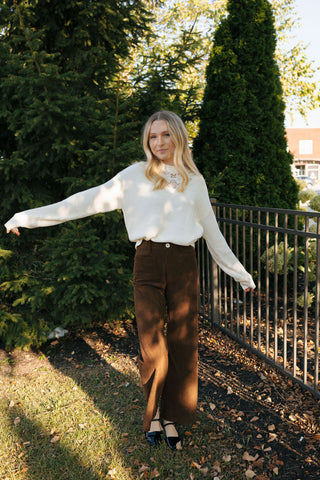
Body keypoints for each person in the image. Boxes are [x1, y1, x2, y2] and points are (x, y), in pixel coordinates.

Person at [5, 110, 255, 451]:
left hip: (183, 264)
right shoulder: (134, 176)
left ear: (178, 137)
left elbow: (212, 234)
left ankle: (170, 418)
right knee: (153, 346)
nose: (160, 142)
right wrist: (27, 218)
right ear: (147, 141)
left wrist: (239, 273)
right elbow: (84, 201)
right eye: (153, 136)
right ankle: (153, 416)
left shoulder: (193, 181)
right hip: (148, 262)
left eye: (166, 135)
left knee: (183, 344)